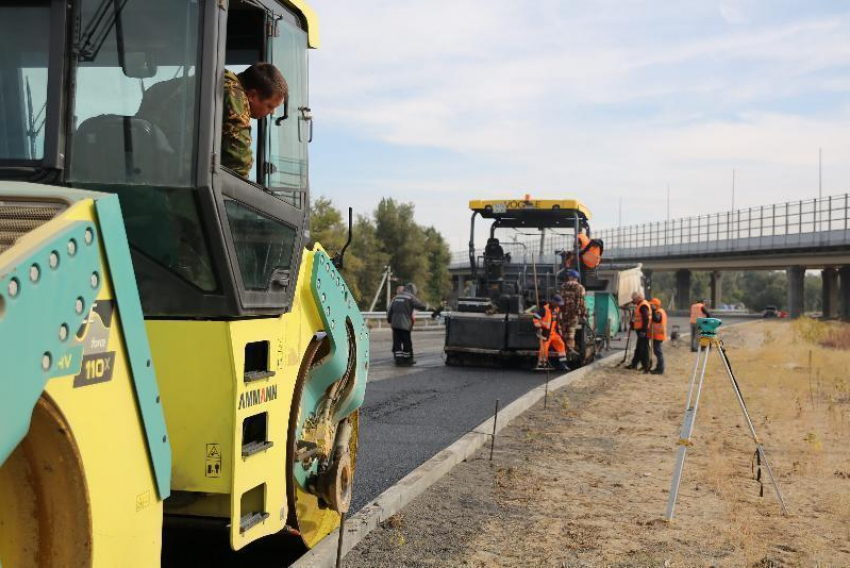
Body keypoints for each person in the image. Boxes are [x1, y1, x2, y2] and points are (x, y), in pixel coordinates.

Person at [222, 63, 288, 179]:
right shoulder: (234, 95)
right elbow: (239, 162)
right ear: (252, 95)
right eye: (270, 106)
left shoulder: (223, 83)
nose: (272, 112)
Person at [387, 283, 427, 366]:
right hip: (405, 324)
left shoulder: (396, 297)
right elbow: (420, 306)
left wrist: (390, 320)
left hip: (395, 324)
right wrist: (428, 307)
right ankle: (408, 360)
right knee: (407, 342)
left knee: (397, 342)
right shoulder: (410, 297)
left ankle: (398, 360)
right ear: (413, 290)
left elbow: (389, 310)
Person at [533, 295, 570, 371]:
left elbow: (556, 321)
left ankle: (563, 364)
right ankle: (542, 365)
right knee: (544, 349)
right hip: (545, 333)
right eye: (558, 303)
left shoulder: (557, 309)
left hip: (553, 333)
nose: (559, 305)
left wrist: (559, 329)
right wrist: (540, 326)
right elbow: (535, 319)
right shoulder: (544, 309)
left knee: (561, 345)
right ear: (553, 302)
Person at [559, 269, 586, 356]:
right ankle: (570, 349)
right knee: (571, 331)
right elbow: (581, 301)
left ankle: (562, 348)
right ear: (576, 278)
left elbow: (561, 299)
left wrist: (561, 310)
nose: (569, 277)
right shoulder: (580, 287)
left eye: (570, 276)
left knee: (564, 330)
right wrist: (583, 313)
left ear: (572, 277)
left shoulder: (563, 286)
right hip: (574, 313)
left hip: (564, 312)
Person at [627, 292, 652, 372]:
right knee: (638, 349)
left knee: (643, 349)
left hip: (643, 331)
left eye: (634, 299)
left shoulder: (643, 306)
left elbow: (646, 319)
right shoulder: (640, 305)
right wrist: (633, 324)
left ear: (638, 298)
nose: (633, 301)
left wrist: (644, 331)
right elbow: (639, 319)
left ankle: (646, 366)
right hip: (641, 330)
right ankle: (634, 364)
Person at [649, 297, 667, 375]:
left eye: (652, 305)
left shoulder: (659, 312)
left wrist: (652, 310)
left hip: (659, 335)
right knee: (657, 352)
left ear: (655, 305)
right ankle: (658, 367)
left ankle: (660, 368)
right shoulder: (659, 311)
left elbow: (656, 319)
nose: (650, 306)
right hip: (657, 335)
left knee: (658, 352)